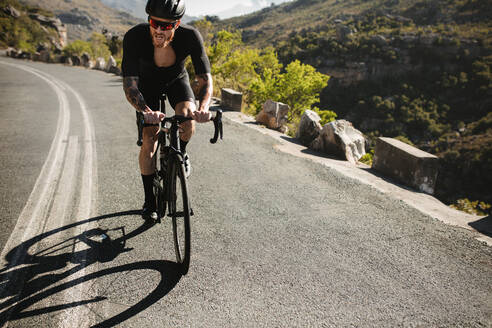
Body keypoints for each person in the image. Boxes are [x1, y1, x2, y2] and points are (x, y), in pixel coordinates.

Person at [121, 0, 213, 220]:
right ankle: (149, 202)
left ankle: (181, 151)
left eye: (166, 25)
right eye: (155, 23)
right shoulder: (134, 37)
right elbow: (130, 85)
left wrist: (203, 108)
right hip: (146, 86)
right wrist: (145, 111)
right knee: (149, 139)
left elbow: (205, 79)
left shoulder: (190, 36)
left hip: (176, 81)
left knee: (188, 121)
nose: (159, 30)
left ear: (177, 24)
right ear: (149, 20)